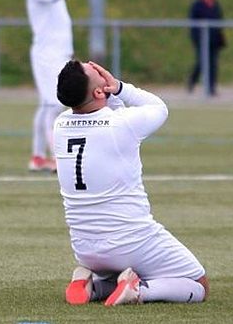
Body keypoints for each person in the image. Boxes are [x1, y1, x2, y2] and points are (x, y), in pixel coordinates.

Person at [53, 60, 208, 306]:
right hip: (130, 240)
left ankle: (96, 287)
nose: (100, 69)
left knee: (126, 265)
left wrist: (107, 92)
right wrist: (120, 87)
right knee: (197, 283)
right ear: (98, 91)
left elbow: (104, 114)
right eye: (96, 71)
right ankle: (139, 290)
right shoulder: (122, 124)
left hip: (84, 248)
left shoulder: (60, 124)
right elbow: (159, 107)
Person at [25, 0, 86, 172]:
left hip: (57, 54)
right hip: (46, 55)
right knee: (53, 104)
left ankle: (38, 157)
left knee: (47, 105)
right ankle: (57, 159)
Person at [187, 0, 225, 95]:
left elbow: (219, 20)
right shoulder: (197, 5)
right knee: (201, 62)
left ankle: (211, 88)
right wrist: (197, 38)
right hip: (201, 40)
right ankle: (192, 80)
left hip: (214, 40)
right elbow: (193, 24)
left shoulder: (215, 4)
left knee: (213, 64)